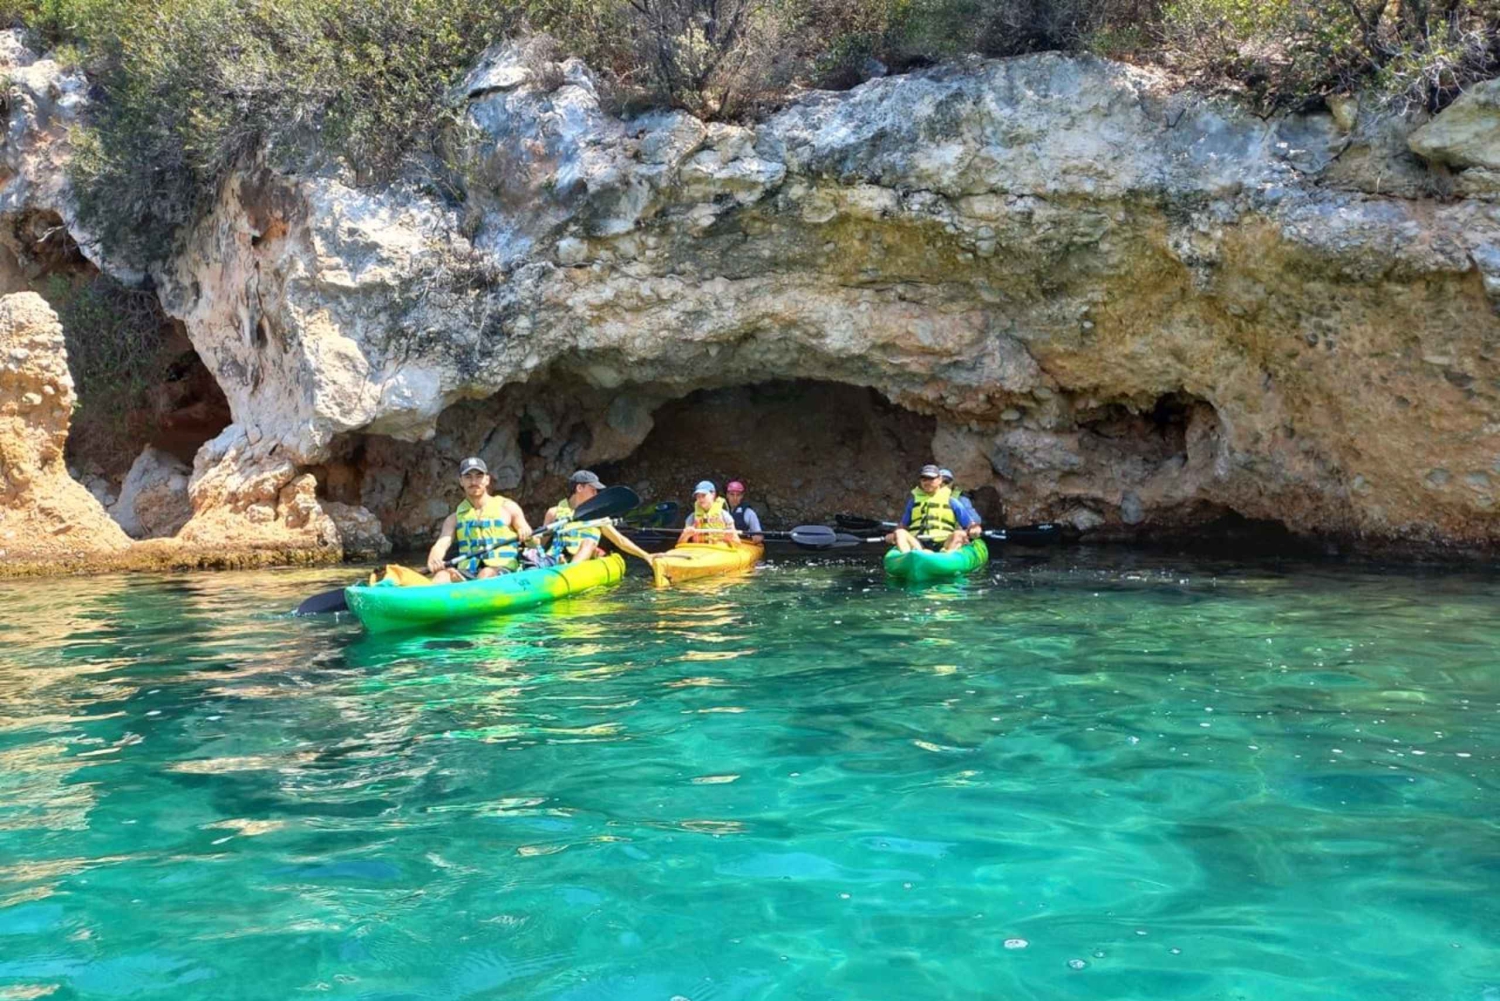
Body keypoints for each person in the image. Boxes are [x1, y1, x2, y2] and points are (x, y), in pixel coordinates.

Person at [426, 457, 532, 583]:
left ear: (487, 479)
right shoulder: (453, 519)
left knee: (486, 573)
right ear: (461, 481)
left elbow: (532, 539)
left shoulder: (508, 507)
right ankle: (455, 591)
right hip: (469, 570)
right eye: (468, 477)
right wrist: (434, 559)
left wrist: (526, 533)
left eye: (478, 476)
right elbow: (441, 544)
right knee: (441, 576)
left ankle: (468, 589)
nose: (474, 481)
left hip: (502, 569)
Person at [890, 463, 976, 553]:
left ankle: (946, 558)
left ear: (939, 480)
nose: (927, 482)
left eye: (931, 479)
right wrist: (894, 534)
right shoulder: (913, 501)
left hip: (944, 542)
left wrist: (975, 529)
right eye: (924, 479)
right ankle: (908, 559)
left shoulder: (952, 501)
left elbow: (970, 524)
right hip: (918, 543)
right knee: (900, 533)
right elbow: (903, 525)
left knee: (960, 534)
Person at [539, 470, 607, 564]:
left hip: (580, 560)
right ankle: (561, 562)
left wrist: (635, 552)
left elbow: (621, 541)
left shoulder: (598, 516)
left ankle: (569, 568)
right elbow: (542, 543)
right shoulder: (553, 512)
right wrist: (530, 540)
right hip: (554, 557)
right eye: (593, 490)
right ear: (579, 488)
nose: (596, 494)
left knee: (589, 542)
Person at [678, 480, 740, 545]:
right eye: (698, 496)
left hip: (719, 551)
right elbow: (680, 544)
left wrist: (730, 538)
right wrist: (686, 535)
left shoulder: (725, 516)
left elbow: (737, 543)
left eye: (703, 495)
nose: (700, 499)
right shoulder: (691, 518)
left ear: (713, 494)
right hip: (699, 551)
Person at [940, 468, 984, 542]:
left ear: (952, 483)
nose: (943, 484)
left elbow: (976, 520)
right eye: (941, 481)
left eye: (947, 481)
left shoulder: (961, 500)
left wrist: (971, 528)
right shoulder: (926, 499)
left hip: (955, 536)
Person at [725, 479, 764, 544]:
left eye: (738, 495)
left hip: (744, 544)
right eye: (732, 494)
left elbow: (759, 536)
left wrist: (752, 539)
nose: (735, 498)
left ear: (742, 496)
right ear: (727, 495)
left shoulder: (749, 513)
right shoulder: (721, 511)